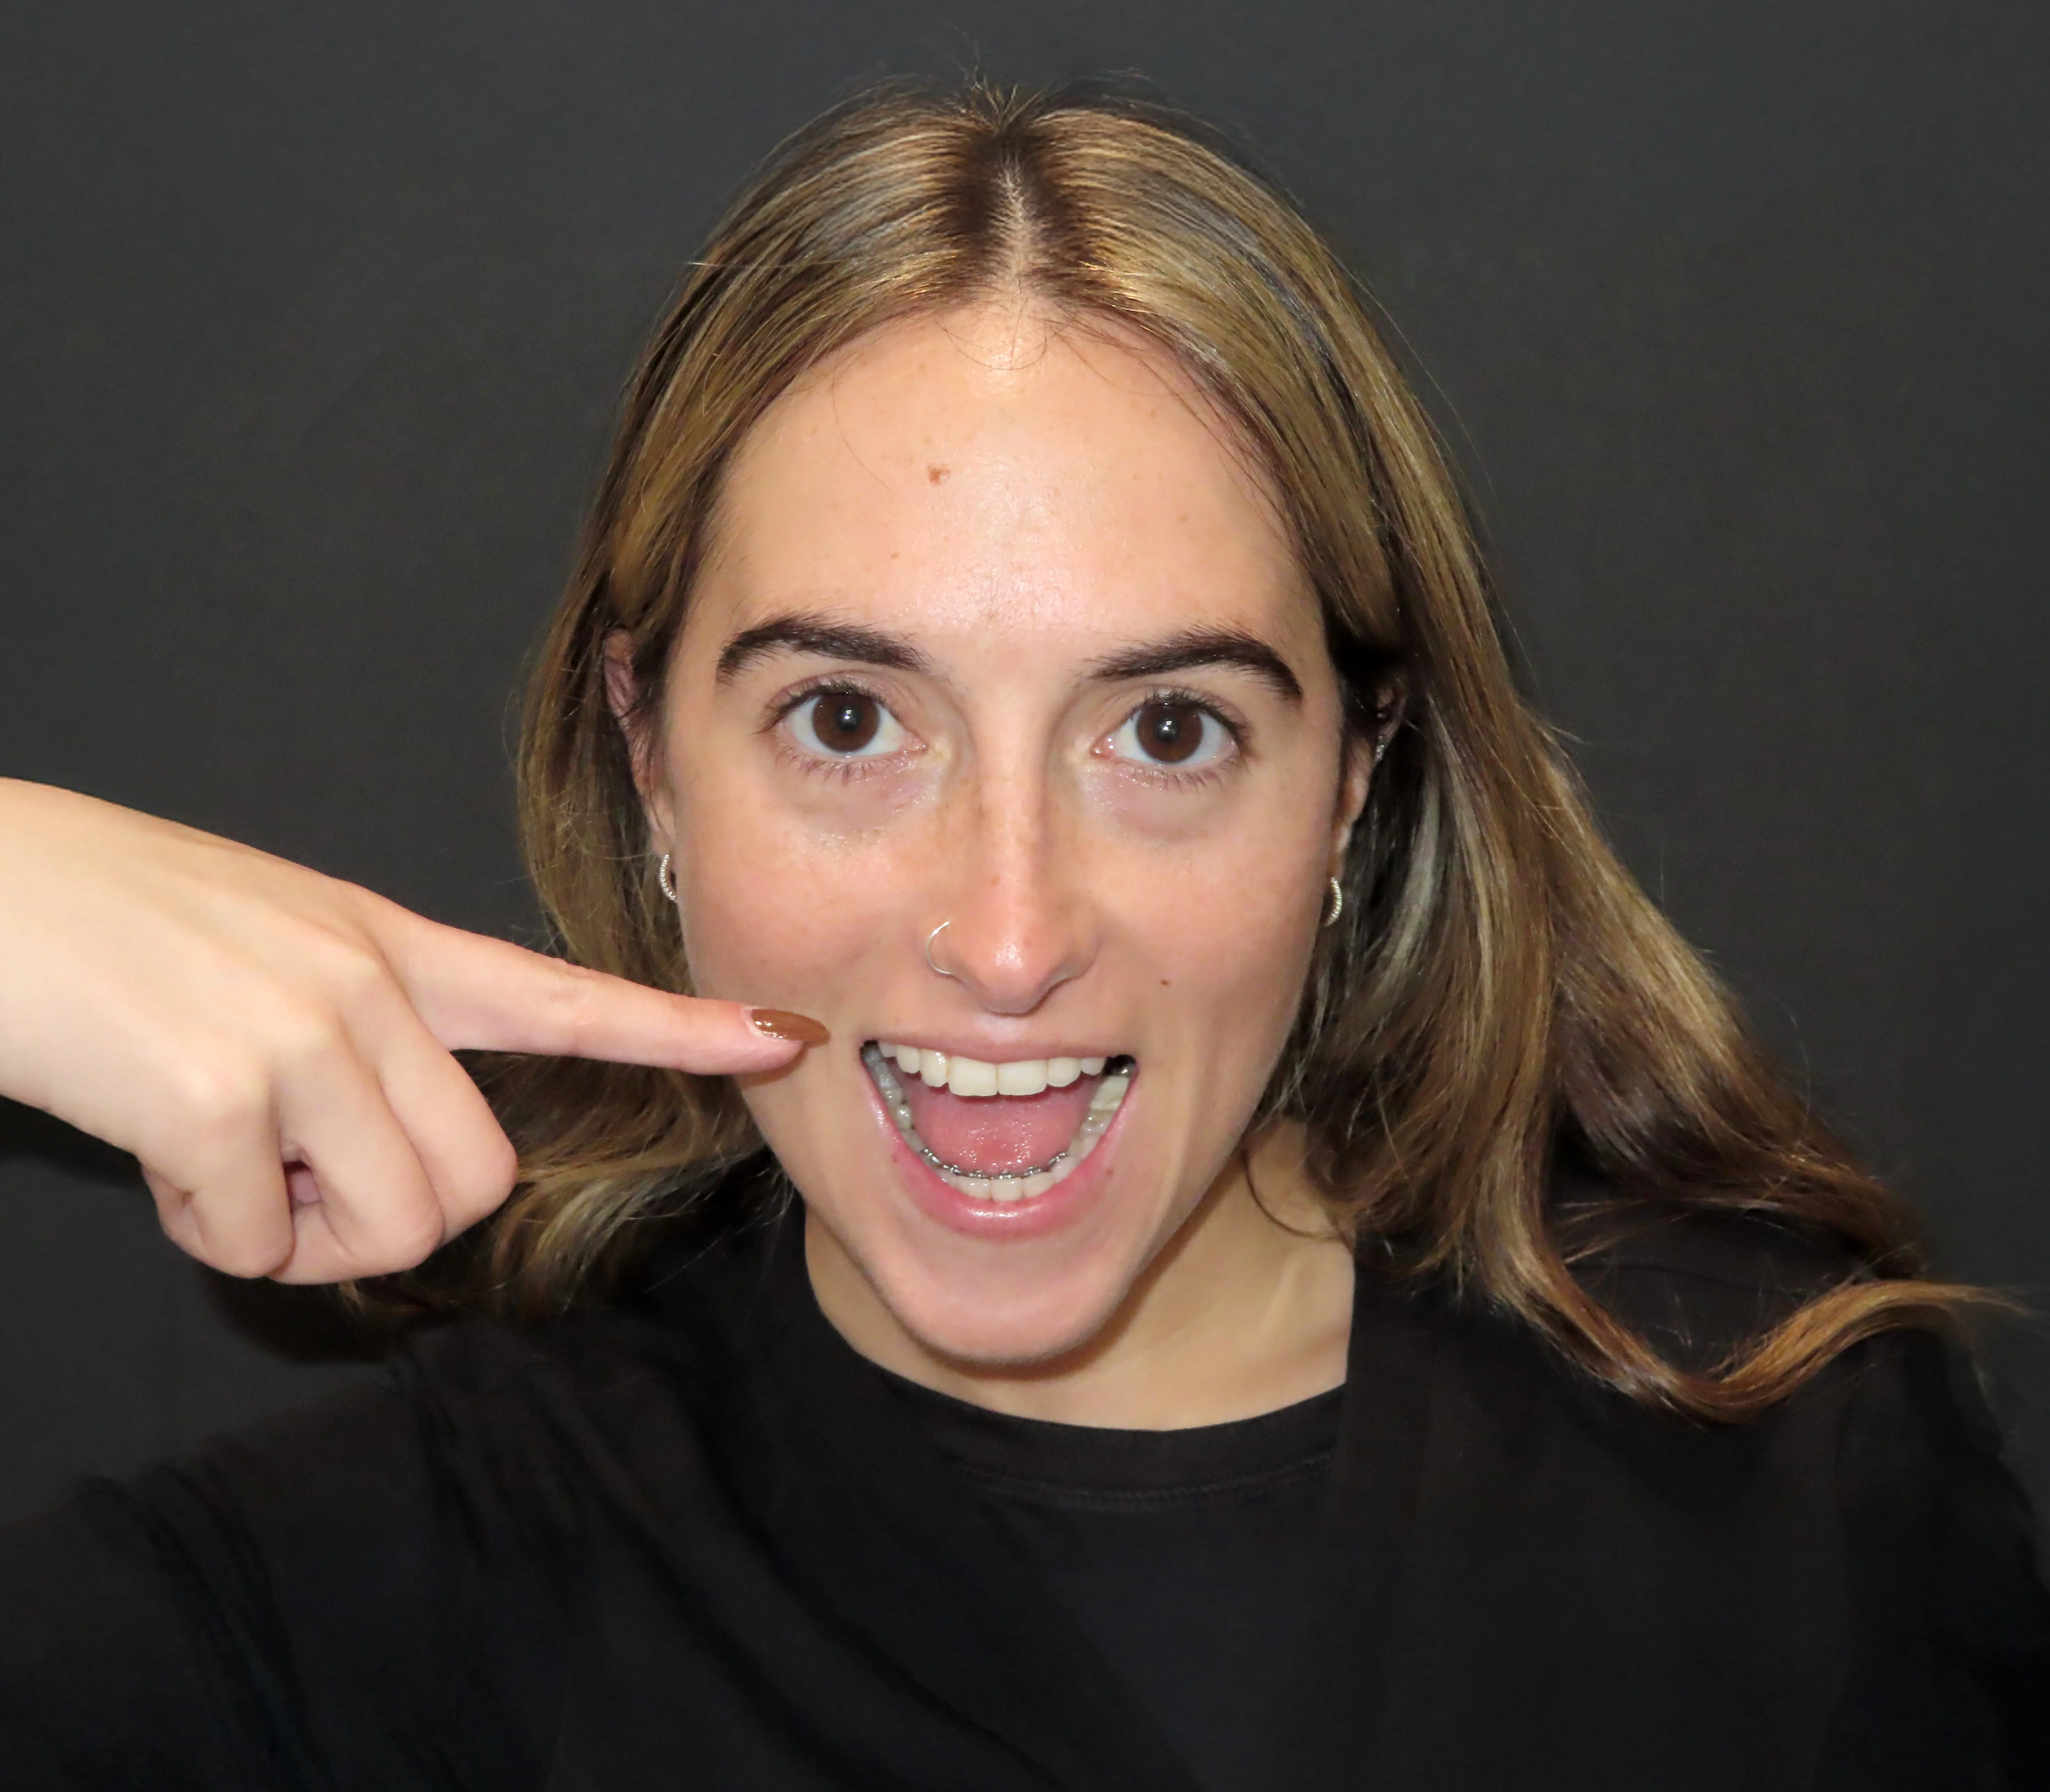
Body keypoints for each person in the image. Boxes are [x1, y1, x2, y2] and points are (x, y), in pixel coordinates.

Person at [0, 79, 2043, 1790]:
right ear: (650, 762)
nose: (1006, 935)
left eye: (1168, 732)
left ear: (1354, 779)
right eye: (847, 723)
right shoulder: (374, 1600)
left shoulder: (1787, 1490)